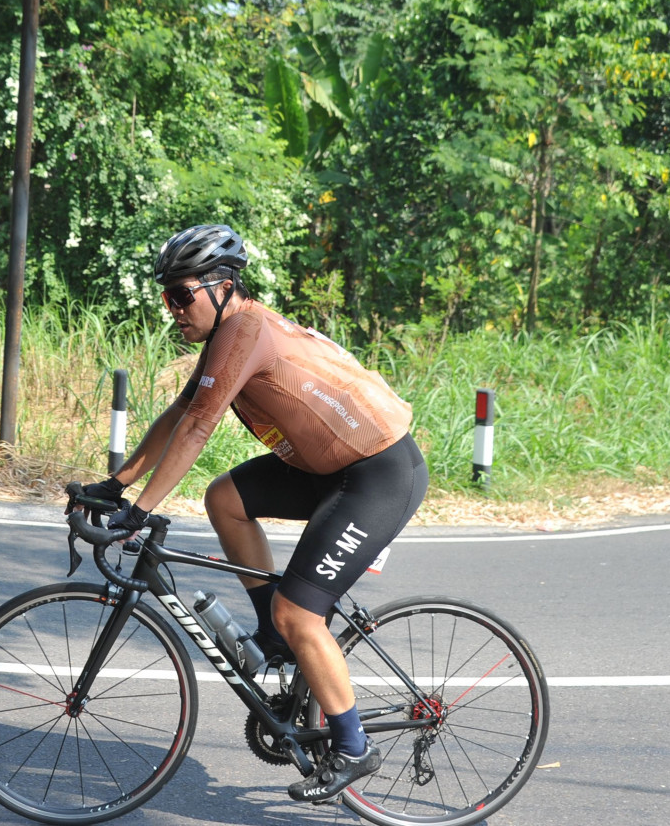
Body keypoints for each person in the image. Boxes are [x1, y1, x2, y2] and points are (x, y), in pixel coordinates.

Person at [82, 224, 428, 804]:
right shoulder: (231, 332)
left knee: (301, 612)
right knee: (226, 499)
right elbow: (182, 411)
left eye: (181, 295)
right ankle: (275, 633)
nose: (173, 310)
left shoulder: (244, 330)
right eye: (166, 297)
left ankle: (352, 746)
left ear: (222, 287)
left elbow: (198, 428)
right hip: (326, 469)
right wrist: (114, 485)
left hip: (377, 474)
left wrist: (139, 511)